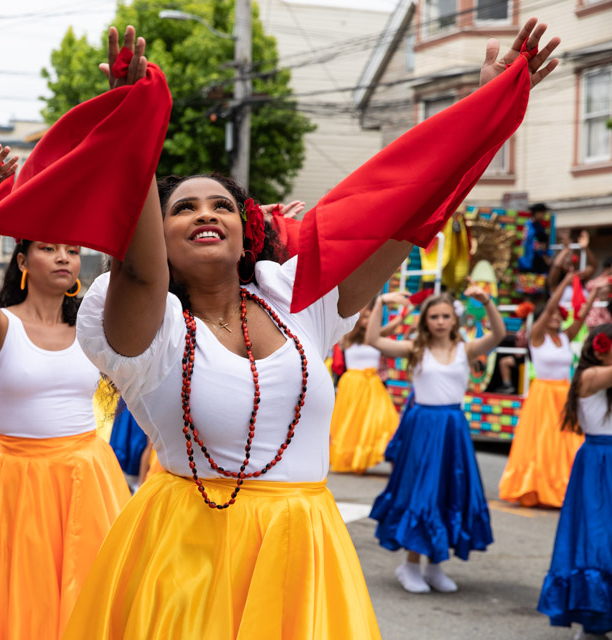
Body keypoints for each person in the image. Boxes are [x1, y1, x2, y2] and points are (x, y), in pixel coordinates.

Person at [49, 17, 559, 637]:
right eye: (182, 207)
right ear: (159, 236)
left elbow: (408, 217)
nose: (205, 214)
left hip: (306, 557)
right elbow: (139, 270)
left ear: (246, 235)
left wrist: (483, 119)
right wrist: (133, 130)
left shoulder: (295, 301)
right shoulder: (143, 326)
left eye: (222, 206)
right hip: (186, 560)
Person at [0, 145, 131, 639]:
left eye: (71, 248)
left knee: (91, 602)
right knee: (24, 606)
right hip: (18, 482)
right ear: (22, 260)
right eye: (48, 247)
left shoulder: (93, 325)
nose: (63, 255)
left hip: (91, 474)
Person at [368, 289, 506, 593]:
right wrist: (380, 303)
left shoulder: (464, 349)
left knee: (449, 493)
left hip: (453, 429)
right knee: (423, 493)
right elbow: (374, 340)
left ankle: (433, 566)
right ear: (426, 320)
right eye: (434, 316)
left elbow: (499, 334)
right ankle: (410, 565)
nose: (441, 322)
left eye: (445, 316)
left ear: (454, 318)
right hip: (424, 429)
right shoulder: (416, 348)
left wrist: (486, 301)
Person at [499, 272, 605, 507]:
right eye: (553, 314)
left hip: (564, 393)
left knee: (568, 441)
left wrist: (595, 293)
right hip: (543, 396)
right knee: (543, 442)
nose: (556, 317)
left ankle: (567, 487)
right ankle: (539, 489)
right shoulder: (537, 337)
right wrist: (565, 283)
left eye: (560, 315)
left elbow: (583, 315)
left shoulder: (565, 337)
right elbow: (549, 307)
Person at [538, 324, 612, 640]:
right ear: (601, 347)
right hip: (598, 463)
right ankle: (592, 619)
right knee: (596, 541)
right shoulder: (588, 378)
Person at [328, 293, 404, 474]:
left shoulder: (377, 336)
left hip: (372, 385)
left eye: (372, 316)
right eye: (366, 316)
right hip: (352, 385)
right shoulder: (347, 338)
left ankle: (386, 456)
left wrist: (403, 308)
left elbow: (396, 324)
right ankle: (354, 459)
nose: (369, 319)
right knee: (352, 423)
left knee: (382, 421)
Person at [518, 203, 552, 274]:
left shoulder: (540, 227)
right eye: (542, 214)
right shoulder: (529, 227)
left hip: (537, 264)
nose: (543, 216)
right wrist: (545, 256)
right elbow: (533, 244)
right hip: (528, 263)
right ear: (536, 213)